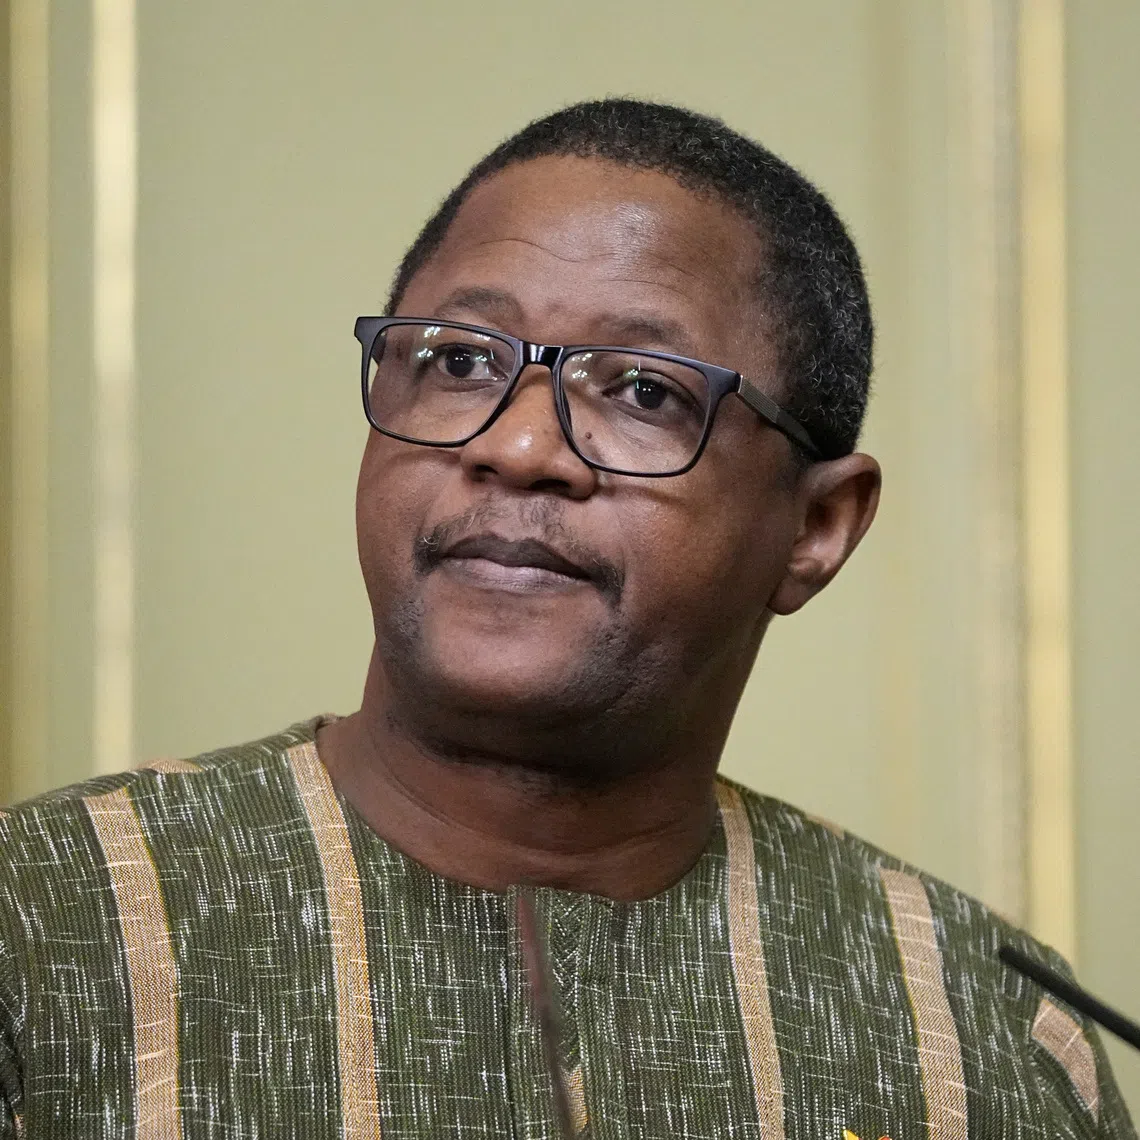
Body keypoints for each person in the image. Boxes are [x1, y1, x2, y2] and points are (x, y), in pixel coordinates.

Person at [0, 99, 1133, 1140]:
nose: (518, 445)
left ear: (818, 526)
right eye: (457, 361)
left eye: (642, 389)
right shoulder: (43, 926)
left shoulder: (988, 1035)